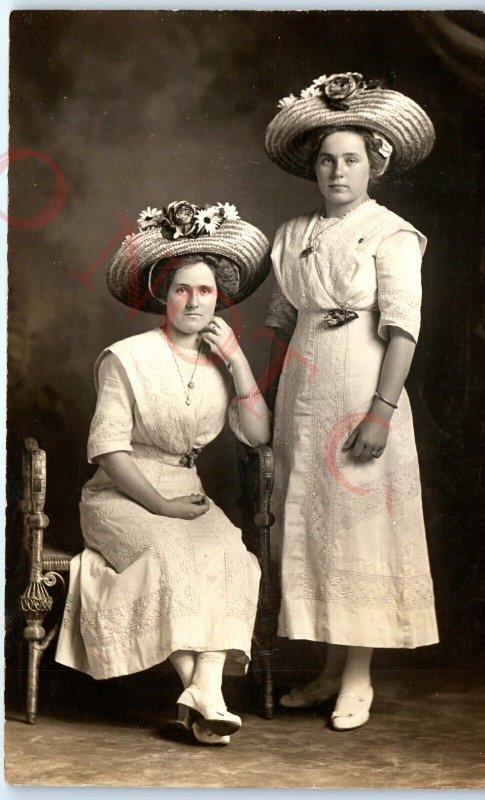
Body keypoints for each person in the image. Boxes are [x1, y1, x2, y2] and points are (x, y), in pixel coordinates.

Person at [55, 200, 271, 745]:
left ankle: (202, 694)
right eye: (182, 290)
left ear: (219, 297)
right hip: (121, 495)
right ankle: (206, 693)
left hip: (188, 491)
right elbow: (108, 450)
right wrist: (162, 506)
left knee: (232, 557)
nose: (193, 301)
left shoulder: (222, 362)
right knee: (173, 556)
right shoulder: (126, 357)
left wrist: (239, 360)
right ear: (162, 296)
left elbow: (259, 434)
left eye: (204, 291)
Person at [263, 72, 439, 730]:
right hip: (300, 397)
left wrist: (380, 412)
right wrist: (260, 391)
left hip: (361, 389)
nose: (337, 171)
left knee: (358, 531)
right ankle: (328, 670)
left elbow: (402, 327)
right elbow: (280, 322)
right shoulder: (292, 233)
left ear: (374, 166)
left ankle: (358, 675)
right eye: (327, 161)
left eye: (351, 160)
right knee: (312, 528)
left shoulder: (391, 235)